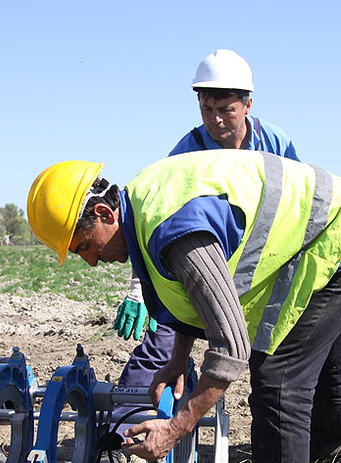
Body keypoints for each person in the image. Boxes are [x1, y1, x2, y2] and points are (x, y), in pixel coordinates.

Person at [27, 150, 341, 463]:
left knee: (280, 377)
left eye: (83, 246)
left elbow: (231, 346)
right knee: (320, 356)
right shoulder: (146, 212)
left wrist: (176, 427)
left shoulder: (173, 230)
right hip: (335, 226)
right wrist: (178, 358)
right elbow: (188, 294)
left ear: (104, 213)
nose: (91, 261)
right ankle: (331, 459)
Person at [114, 48, 300, 411]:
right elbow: (152, 221)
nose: (215, 120)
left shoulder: (275, 143)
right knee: (165, 335)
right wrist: (139, 288)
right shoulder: (185, 153)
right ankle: (124, 427)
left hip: (266, 263)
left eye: (226, 110)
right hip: (200, 263)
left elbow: (297, 200)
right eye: (207, 109)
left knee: (280, 358)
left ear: (247, 104)